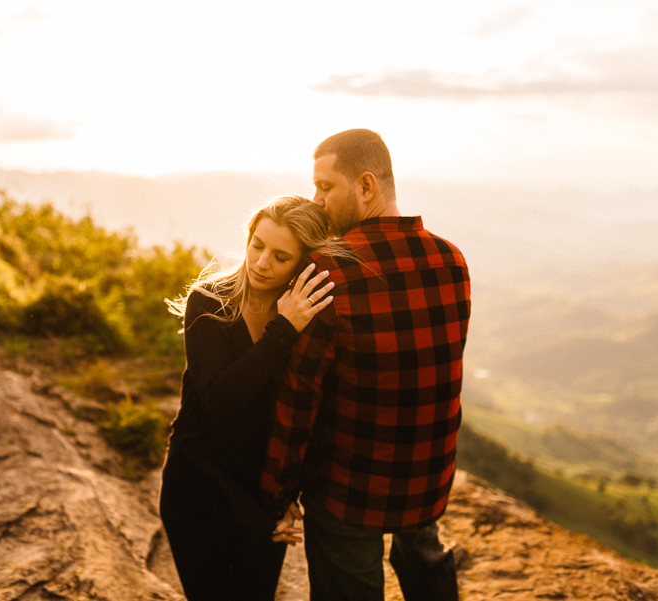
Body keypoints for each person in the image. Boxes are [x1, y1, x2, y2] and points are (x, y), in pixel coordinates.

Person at [262, 129, 471, 601]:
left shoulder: (328, 273)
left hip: (348, 490)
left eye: (325, 187)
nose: (316, 202)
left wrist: (278, 493)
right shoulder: (451, 260)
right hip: (426, 479)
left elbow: (300, 396)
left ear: (367, 186)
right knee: (426, 569)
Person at [160, 195, 349, 601]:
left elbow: (310, 408)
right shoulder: (210, 301)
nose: (261, 262)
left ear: (303, 264)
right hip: (197, 486)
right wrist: (283, 330)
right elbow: (219, 396)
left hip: (263, 492)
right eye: (257, 245)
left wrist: (287, 493)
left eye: (281, 257)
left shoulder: (310, 314)